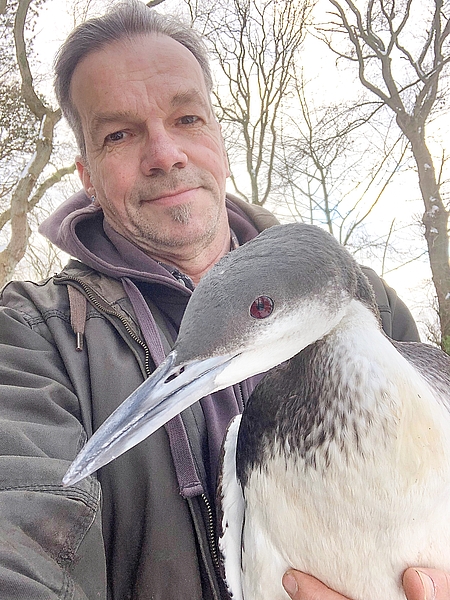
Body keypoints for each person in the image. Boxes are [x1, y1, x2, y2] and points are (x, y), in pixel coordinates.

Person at [0, 2, 447, 599]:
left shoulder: (373, 309)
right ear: (86, 174)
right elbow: (16, 530)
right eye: (119, 134)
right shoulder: (34, 338)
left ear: (219, 139)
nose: (165, 154)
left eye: (187, 118)